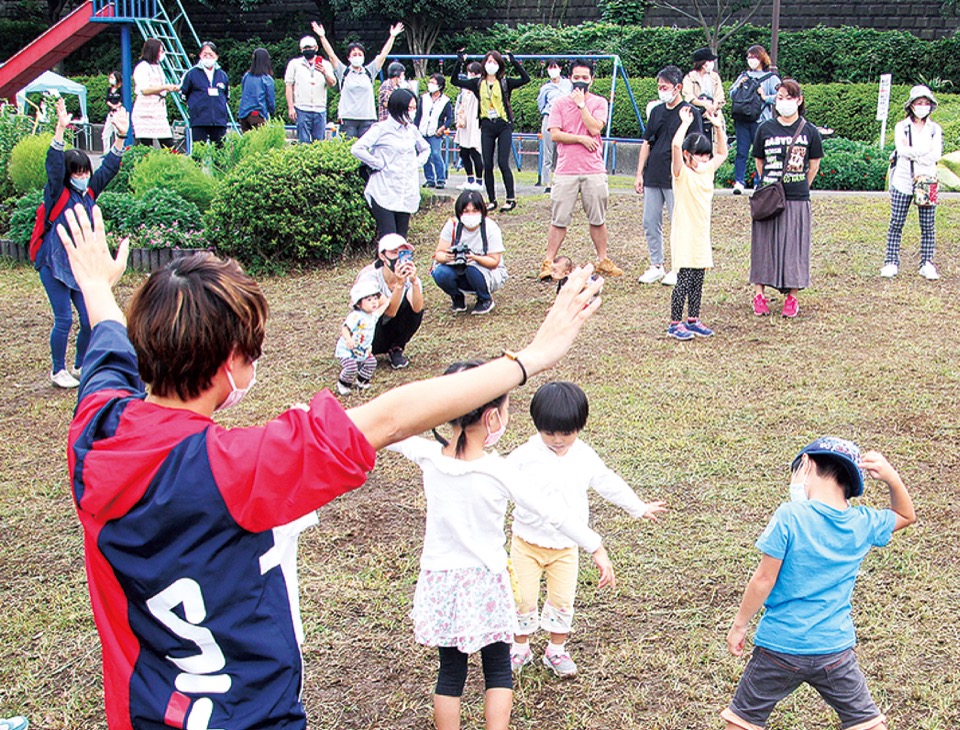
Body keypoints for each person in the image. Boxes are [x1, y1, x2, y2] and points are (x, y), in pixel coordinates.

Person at [57, 199, 605, 730]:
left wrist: (97, 286)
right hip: (250, 714)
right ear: (230, 363)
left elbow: (108, 348)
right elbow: (389, 417)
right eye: (254, 352)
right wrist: (531, 357)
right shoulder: (236, 467)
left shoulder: (94, 433)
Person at [388, 362, 615, 730]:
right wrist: (595, 545)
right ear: (493, 418)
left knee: (450, 674)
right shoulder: (499, 471)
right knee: (497, 670)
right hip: (486, 583)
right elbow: (554, 513)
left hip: (441, 582)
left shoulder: (428, 456)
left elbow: (390, 430)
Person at [721, 438, 915, 730]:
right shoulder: (862, 522)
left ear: (807, 464)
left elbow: (764, 578)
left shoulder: (790, 515)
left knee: (742, 720)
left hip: (780, 645)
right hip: (834, 649)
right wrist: (892, 478)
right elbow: (905, 516)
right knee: (867, 723)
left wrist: (740, 625)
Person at [507, 381, 666, 677]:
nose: (557, 440)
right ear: (537, 427)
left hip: (567, 546)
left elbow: (607, 482)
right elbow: (499, 484)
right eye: (549, 433)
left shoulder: (584, 456)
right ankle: (519, 648)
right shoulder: (524, 455)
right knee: (522, 599)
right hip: (526, 542)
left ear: (580, 426)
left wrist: (638, 506)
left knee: (562, 599)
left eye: (565, 433)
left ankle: (556, 650)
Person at [36, 97, 126, 389]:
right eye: (77, 172)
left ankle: (80, 363)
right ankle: (58, 370)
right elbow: (53, 168)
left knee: (88, 318)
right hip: (53, 262)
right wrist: (60, 131)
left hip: (79, 263)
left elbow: (109, 169)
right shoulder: (57, 194)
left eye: (86, 171)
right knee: (63, 318)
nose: (83, 177)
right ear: (68, 175)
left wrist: (121, 136)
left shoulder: (88, 193)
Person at [540, 59, 623, 280]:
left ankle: (602, 259)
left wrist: (581, 106)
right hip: (566, 169)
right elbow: (555, 134)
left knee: (597, 217)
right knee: (559, 219)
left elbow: (595, 127)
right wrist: (580, 139)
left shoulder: (599, 102)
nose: (581, 82)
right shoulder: (558, 103)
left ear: (592, 80)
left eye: (585, 78)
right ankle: (548, 262)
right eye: (576, 77)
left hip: (593, 169)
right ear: (570, 78)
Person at [750, 79, 823, 318]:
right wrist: (770, 184)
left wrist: (799, 185)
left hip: (797, 197)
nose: (784, 102)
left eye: (789, 98)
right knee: (763, 244)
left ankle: (792, 297)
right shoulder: (765, 129)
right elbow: (759, 161)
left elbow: (813, 165)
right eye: (779, 97)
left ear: (799, 100)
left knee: (795, 247)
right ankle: (759, 294)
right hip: (768, 196)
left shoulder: (809, 131)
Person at [634, 65, 702, 286]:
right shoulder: (656, 111)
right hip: (654, 173)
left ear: (678, 87)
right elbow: (647, 142)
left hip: (677, 176)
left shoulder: (691, 113)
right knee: (650, 220)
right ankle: (656, 265)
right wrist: (639, 173)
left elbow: (697, 145)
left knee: (678, 222)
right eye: (659, 86)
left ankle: (678, 267)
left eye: (666, 86)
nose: (662, 90)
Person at [666, 106, 727, 341]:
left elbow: (722, 153)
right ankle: (675, 322)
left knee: (698, 278)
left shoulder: (707, 170)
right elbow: (674, 146)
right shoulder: (681, 174)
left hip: (701, 233)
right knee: (684, 278)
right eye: (699, 154)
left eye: (705, 154)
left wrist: (718, 126)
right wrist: (684, 123)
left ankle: (693, 318)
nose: (703, 158)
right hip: (684, 233)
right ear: (687, 154)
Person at [451, 49, 530, 211]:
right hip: (486, 125)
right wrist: (459, 62)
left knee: (503, 162)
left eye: (494, 62)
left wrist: (514, 62)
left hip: (503, 125)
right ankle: (492, 199)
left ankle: (510, 198)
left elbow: (525, 79)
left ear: (499, 65)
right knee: (487, 164)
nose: (491, 65)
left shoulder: (505, 82)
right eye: (488, 62)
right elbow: (454, 81)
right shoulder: (478, 83)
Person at [881, 85, 943, 281]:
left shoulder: (934, 129)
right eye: (919, 103)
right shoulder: (902, 126)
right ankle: (891, 261)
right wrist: (921, 152)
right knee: (897, 221)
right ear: (911, 105)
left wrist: (916, 153)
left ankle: (927, 262)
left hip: (928, 180)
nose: (922, 106)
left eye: (926, 103)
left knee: (927, 224)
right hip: (903, 180)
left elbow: (936, 154)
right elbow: (902, 150)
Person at [351, 89, 430, 239]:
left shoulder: (411, 130)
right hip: (384, 189)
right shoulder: (381, 129)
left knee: (400, 239)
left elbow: (425, 148)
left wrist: (416, 163)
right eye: (409, 109)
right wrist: (378, 163)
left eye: (414, 108)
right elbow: (357, 148)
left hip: (404, 190)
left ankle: (392, 263)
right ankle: (382, 263)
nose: (412, 112)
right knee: (388, 237)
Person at [312, 20, 402, 139]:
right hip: (348, 119)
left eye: (360, 54)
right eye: (354, 55)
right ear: (349, 58)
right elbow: (331, 55)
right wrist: (322, 36)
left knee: (365, 151)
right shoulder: (343, 72)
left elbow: (383, 55)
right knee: (349, 150)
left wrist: (392, 36)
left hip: (367, 118)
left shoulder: (370, 72)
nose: (357, 57)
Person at [431, 190, 507, 315]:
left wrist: (475, 258)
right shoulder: (453, 225)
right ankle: (457, 297)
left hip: (486, 272)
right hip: (458, 270)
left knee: (472, 269)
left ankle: (484, 299)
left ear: (482, 211)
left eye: (475, 211)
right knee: (440, 272)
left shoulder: (491, 228)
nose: (470, 215)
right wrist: (448, 257)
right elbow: (438, 254)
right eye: (466, 211)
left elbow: (494, 262)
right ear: (459, 212)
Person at [356, 233, 424, 370]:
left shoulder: (409, 278)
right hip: (369, 333)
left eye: (402, 253)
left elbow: (417, 309)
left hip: (390, 329)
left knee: (410, 305)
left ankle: (396, 348)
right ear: (382, 256)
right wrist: (399, 285)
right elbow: (389, 312)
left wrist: (415, 282)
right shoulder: (369, 278)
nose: (399, 258)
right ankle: (362, 355)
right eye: (394, 253)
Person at [728, 45, 779, 194]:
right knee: (741, 152)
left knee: (761, 152)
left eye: (754, 57)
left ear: (762, 58)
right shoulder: (743, 76)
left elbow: (779, 97)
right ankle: (739, 182)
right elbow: (732, 94)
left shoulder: (771, 78)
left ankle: (760, 181)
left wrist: (765, 97)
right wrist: (740, 85)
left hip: (761, 121)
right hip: (743, 119)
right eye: (749, 57)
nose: (751, 60)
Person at [335, 280, 384, 394]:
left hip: (362, 349)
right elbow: (345, 328)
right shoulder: (356, 316)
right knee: (351, 367)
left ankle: (362, 381)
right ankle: (343, 383)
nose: (374, 302)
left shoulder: (372, 316)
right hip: (347, 349)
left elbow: (381, 310)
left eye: (375, 298)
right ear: (358, 304)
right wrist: (348, 339)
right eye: (369, 300)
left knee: (371, 362)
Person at [284, 34, 336, 144]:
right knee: (303, 143)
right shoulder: (295, 64)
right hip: (302, 108)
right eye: (305, 48)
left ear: (316, 48)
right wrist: (291, 107)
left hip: (320, 109)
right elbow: (289, 85)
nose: (308, 50)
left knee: (319, 143)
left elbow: (332, 83)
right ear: (301, 49)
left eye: (310, 48)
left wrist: (324, 72)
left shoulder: (325, 64)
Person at [179, 42, 230, 147]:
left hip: (219, 120)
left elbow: (226, 95)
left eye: (211, 54)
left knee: (220, 152)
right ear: (200, 56)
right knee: (198, 152)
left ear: (216, 56)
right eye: (205, 54)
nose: (208, 57)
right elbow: (183, 94)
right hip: (199, 120)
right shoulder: (191, 74)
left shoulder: (223, 75)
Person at [131, 38, 178, 148]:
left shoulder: (158, 67)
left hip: (158, 111)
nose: (162, 54)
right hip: (145, 112)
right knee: (146, 145)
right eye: (160, 51)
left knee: (168, 143)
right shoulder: (142, 67)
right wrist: (164, 87)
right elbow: (144, 89)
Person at [536, 59, 572, 192]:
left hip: (566, 119)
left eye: (555, 67)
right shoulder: (545, 88)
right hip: (550, 118)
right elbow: (541, 104)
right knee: (548, 151)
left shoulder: (568, 84)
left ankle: (564, 181)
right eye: (550, 67)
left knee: (565, 150)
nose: (553, 70)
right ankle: (547, 183)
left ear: (560, 68)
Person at [416, 73, 454, 188]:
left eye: (433, 83)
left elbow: (450, 118)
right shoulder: (424, 98)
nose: (430, 85)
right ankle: (430, 179)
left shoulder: (445, 101)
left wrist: (442, 128)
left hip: (435, 133)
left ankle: (441, 179)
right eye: (430, 82)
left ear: (440, 86)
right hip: (422, 131)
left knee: (436, 154)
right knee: (424, 155)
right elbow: (418, 115)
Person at [454, 61, 485, 191]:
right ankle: (469, 178)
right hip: (464, 123)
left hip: (475, 122)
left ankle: (479, 181)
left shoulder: (480, 86)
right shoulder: (465, 90)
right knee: (464, 152)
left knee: (475, 151)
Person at [683, 47, 724, 138]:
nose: (711, 63)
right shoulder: (690, 77)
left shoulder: (715, 77)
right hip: (696, 114)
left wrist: (713, 108)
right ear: (703, 63)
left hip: (714, 114)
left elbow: (719, 95)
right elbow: (688, 96)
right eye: (709, 61)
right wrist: (704, 105)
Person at [237, 48, 276, 131]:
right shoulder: (267, 79)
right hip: (259, 114)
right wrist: (271, 112)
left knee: (246, 141)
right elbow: (270, 99)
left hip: (244, 114)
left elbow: (243, 92)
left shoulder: (246, 76)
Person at [101, 70, 123, 153]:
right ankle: (106, 152)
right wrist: (112, 106)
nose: (110, 79)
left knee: (117, 133)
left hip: (118, 114)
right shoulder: (109, 89)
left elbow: (122, 101)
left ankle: (117, 151)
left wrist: (117, 107)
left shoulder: (121, 90)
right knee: (105, 134)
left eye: (112, 77)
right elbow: (107, 100)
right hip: (110, 114)